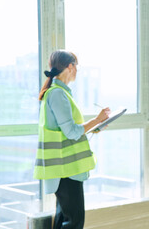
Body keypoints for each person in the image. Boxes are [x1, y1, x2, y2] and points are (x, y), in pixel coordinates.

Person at [33, 50, 111, 228]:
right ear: (70, 66)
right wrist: (97, 119)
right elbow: (71, 132)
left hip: (66, 169)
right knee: (74, 222)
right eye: (76, 66)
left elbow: (68, 131)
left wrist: (95, 127)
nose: (77, 70)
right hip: (65, 169)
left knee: (64, 218)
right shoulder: (57, 94)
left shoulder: (59, 93)